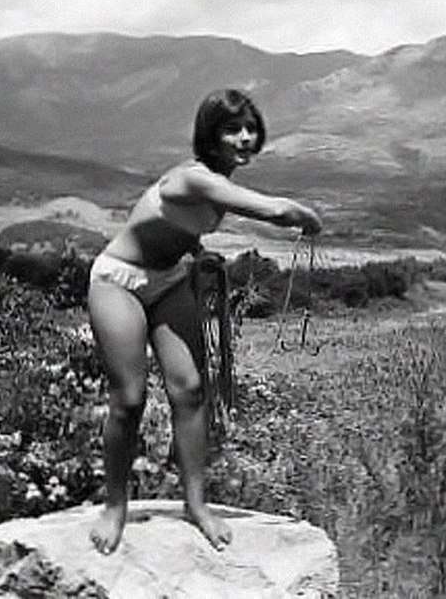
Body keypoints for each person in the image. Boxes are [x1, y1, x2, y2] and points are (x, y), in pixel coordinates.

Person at [88, 88, 322, 554]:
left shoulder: (216, 180)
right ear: (210, 135)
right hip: (118, 281)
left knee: (191, 390)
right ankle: (115, 507)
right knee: (129, 399)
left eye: (250, 129)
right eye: (232, 129)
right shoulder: (193, 178)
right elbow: (274, 210)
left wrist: (196, 251)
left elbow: (172, 226)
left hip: (170, 280)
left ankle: (196, 505)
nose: (244, 137)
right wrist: (307, 217)